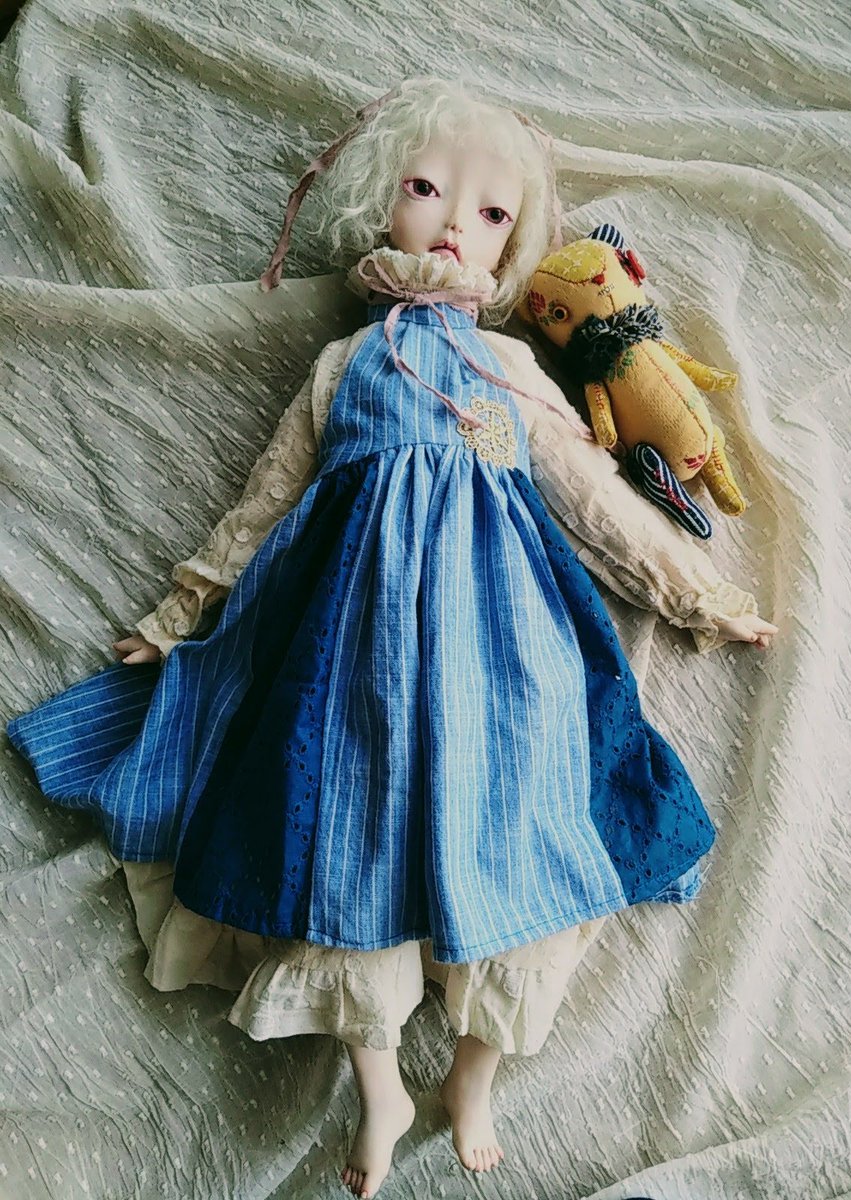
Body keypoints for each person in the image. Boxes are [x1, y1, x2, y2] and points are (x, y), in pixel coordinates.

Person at [7, 77, 777, 1200]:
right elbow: (263, 505)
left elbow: (590, 500)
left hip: (502, 648)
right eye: (428, 189)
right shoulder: (345, 367)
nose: (456, 221)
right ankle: (381, 1092)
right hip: (349, 650)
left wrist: (696, 594)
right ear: (382, 204)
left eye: (492, 211)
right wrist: (181, 614)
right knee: (342, 843)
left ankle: (473, 1077)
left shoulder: (506, 369)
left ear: (516, 246)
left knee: (527, 830)